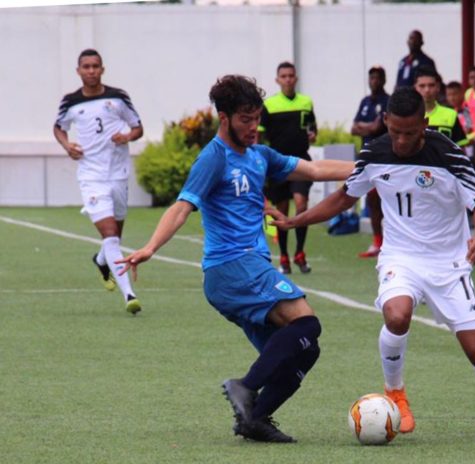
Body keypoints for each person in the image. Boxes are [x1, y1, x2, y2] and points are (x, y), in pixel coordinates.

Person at [117, 75, 354, 443]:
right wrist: (151, 247)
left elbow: (314, 169)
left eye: (256, 118)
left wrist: (370, 168)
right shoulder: (213, 158)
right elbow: (182, 206)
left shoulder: (260, 155)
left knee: (304, 351)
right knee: (307, 323)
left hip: (248, 270)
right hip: (232, 266)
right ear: (224, 118)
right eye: (245, 119)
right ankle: (245, 386)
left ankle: (254, 419)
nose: (253, 127)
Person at [269, 87, 475, 437]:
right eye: (395, 131)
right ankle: (395, 393)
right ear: (385, 121)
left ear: (424, 124)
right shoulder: (374, 152)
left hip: (449, 262)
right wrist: (296, 220)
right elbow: (344, 198)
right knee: (396, 315)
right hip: (401, 256)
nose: (401, 141)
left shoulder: (449, 156)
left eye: (410, 133)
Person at [53, 48, 144, 315]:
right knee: (110, 236)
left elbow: (138, 127)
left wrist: (127, 137)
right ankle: (129, 295)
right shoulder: (70, 102)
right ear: (78, 71)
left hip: (118, 175)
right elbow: (58, 127)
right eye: (86, 67)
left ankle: (101, 260)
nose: (91, 71)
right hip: (91, 177)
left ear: (102, 69)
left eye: (95, 66)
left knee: (114, 237)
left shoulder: (118, 97)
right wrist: (67, 145)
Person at [259, 62, 317, 274]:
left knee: (301, 205)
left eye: (291, 75)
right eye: (283, 76)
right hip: (278, 164)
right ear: (277, 80)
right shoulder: (269, 105)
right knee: (281, 211)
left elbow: (312, 128)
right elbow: (259, 134)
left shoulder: (306, 102)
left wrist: (312, 134)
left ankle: (300, 252)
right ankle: (284, 256)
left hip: (301, 162)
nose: (288, 79)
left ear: (296, 78)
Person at [351, 66, 390, 258]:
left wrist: (364, 127)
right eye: (371, 77)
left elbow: (378, 128)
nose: (374, 81)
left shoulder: (388, 101)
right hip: (367, 159)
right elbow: (353, 128)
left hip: (386, 157)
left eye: (377, 78)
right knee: (372, 201)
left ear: (384, 80)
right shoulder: (365, 101)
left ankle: (392, 242)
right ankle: (377, 242)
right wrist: (368, 127)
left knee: (388, 201)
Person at [414, 67, 467, 147]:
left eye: (431, 85)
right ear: (415, 88)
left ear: (438, 87)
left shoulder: (451, 114)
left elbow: (460, 147)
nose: (427, 90)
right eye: (422, 86)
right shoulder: (408, 115)